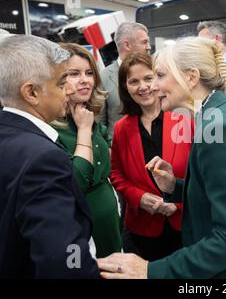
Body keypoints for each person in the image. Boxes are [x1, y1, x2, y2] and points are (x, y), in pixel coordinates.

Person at [97, 36, 226, 279]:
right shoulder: (221, 113)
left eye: (160, 75)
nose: (153, 86)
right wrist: (175, 187)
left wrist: (150, 270)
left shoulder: (219, 128)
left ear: (191, 77)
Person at [0, 35, 99, 278]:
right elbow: (63, 259)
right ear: (32, 92)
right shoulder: (42, 159)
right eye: (62, 81)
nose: (70, 89)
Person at [110, 52, 192, 261]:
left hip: (183, 224)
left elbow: (200, 173)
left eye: (148, 78)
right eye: (133, 81)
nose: (143, 87)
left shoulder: (185, 119)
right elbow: (116, 174)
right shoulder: (122, 128)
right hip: (142, 229)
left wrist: (177, 203)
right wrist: (139, 198)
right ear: (125, 88)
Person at [53, 43, 122, 258]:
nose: (85, 80)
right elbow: (77, 182)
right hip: (80, 228)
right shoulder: (50, 128)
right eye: (74, 74)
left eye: (89, 73)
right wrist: (83, 129)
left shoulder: (87, 116)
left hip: (110, 223)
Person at [101, 22, 151, 138]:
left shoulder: (157, 70)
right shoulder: (103, 78)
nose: (149, 46)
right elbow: (100, 124)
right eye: (144, 42)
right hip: (120, 150)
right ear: (127, 45)